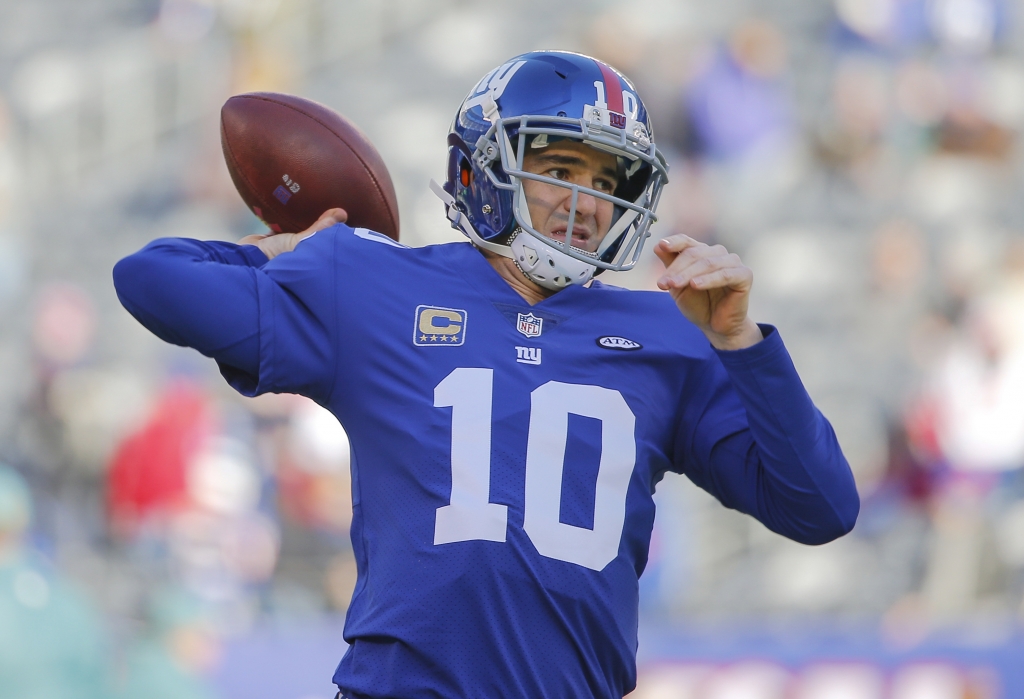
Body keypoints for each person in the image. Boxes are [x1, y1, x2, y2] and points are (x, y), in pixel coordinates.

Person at [113, 51, 859, 699]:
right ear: (486, 167)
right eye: (560, 168)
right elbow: (150, 278)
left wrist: (742, 340)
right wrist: (284, 252)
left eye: (608, 178)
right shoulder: (371, 283)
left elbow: (820, 506)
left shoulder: (672, 330)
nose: (584, 202)